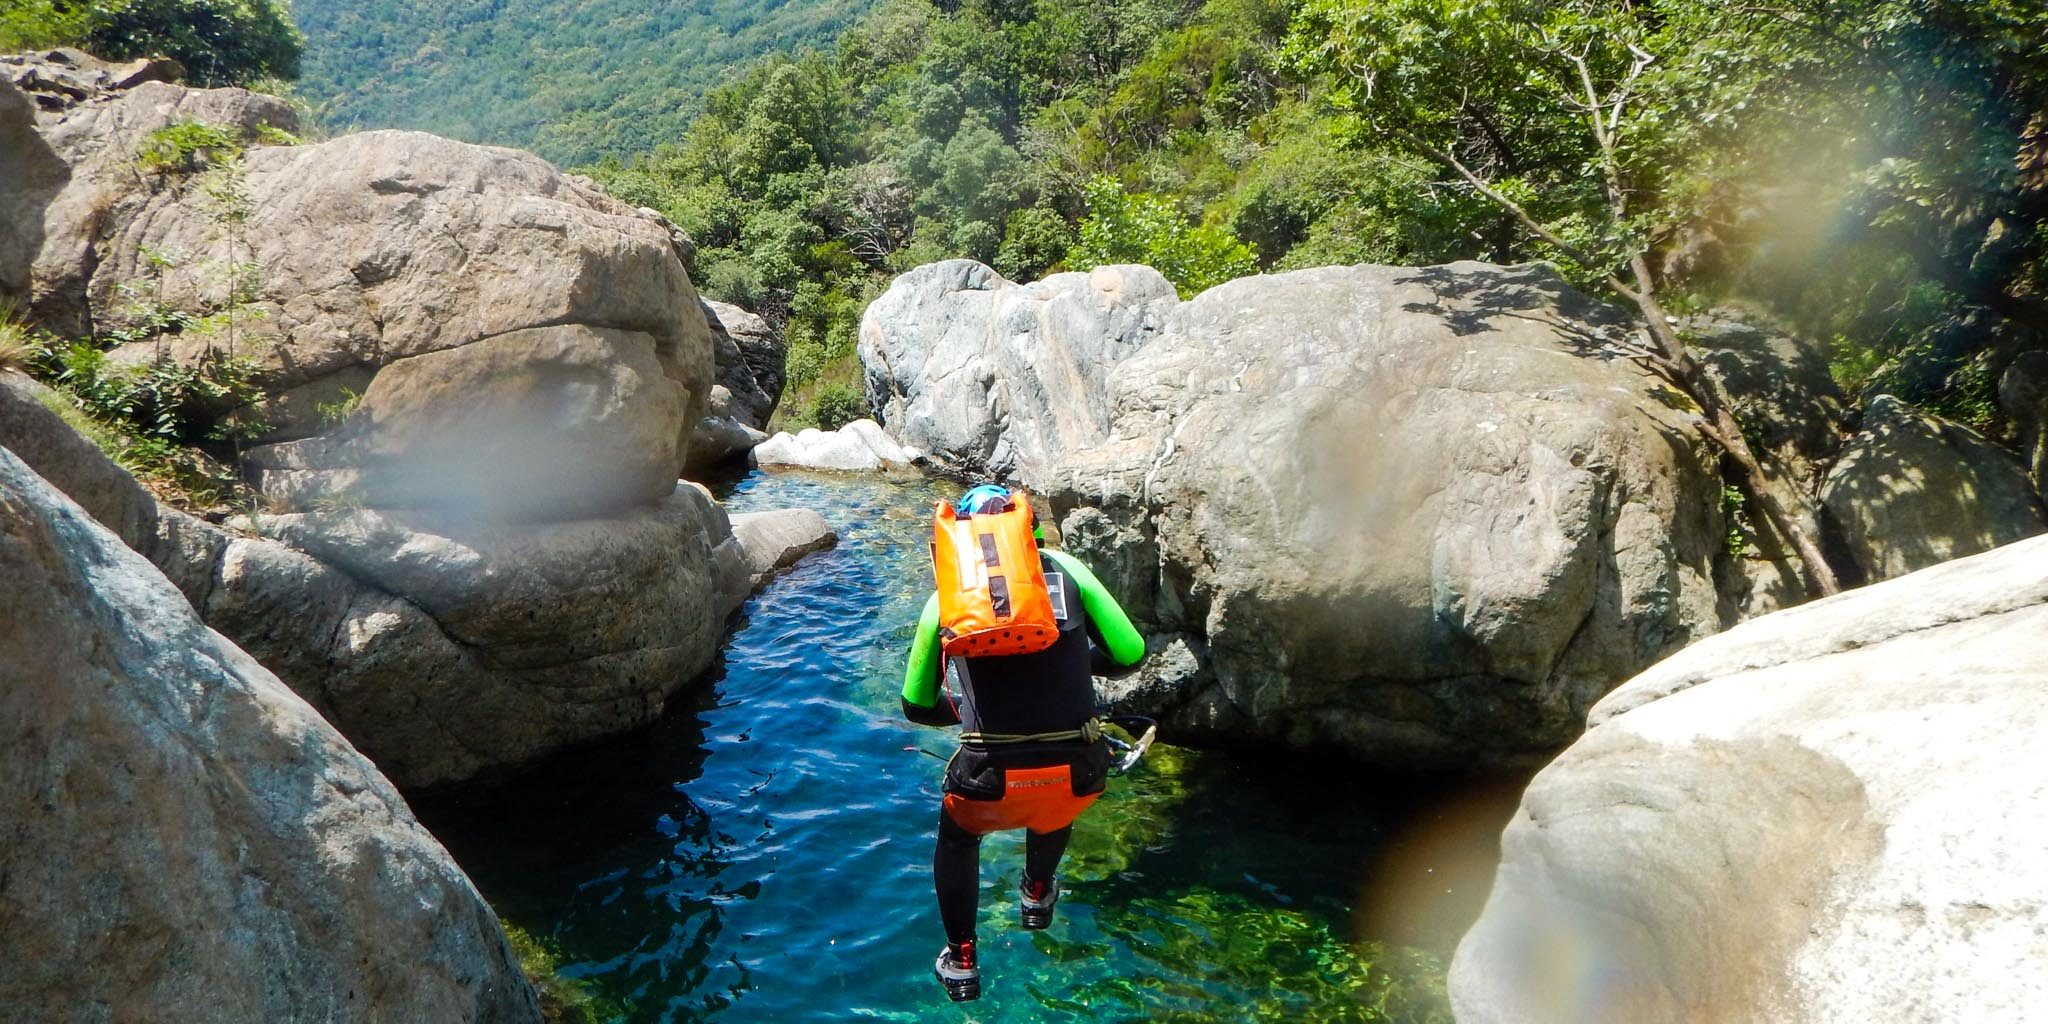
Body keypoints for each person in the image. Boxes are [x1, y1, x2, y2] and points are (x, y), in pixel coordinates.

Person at [900, 483, 1146, 1002]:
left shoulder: (947, 595)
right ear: (1027, 529)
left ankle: (962, 959)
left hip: (985, 780)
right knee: (1052, 807)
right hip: (1076, 772)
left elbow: (916, 707)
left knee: (959, 839)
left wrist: (963, 710)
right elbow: (1131, 653)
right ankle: (1037, 894)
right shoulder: (1067, 569)